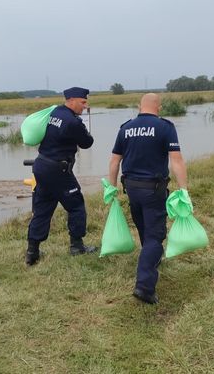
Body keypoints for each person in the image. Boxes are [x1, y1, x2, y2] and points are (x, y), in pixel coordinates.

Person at [108, 93, 187, 304]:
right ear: (159, 107)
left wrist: (111, 186)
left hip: (131, 188)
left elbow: (115, 161)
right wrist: (184, 190)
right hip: (154, 189)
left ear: (139, 106)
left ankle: (150, 258)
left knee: (143, 227)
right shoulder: (165, 127)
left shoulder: (126, 128)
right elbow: (176, 161)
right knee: (155, 236)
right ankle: (144, 285)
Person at [25, 87, 96, 266]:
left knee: (43, 208)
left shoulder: (54, 112)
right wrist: (84, 129)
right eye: (83, 102)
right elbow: (87, 143)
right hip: (58, 169)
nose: (85, 106)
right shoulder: (72, 122)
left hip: (41, 166)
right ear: (71, 100)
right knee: (76, 205)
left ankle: (32, 251)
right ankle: (77, 246)